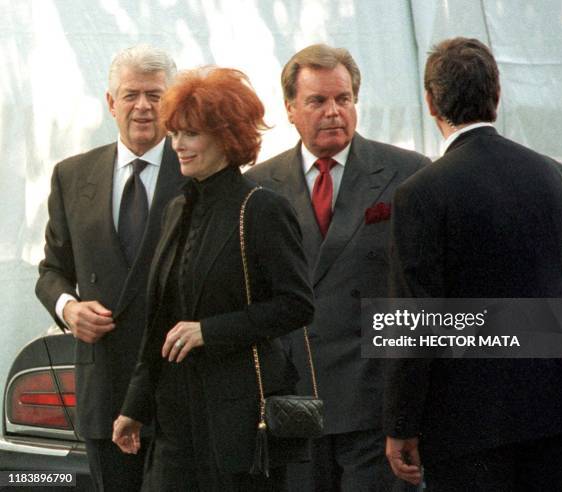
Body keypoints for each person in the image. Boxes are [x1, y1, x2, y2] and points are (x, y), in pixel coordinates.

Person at [383, 37, 562, 491]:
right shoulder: (551, 174)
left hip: (466, 421)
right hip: (550, 406)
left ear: (431, 101)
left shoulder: (420, 193)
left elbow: (416, 322)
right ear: (496, 95)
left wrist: (401, 423)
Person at [112, 66, 314, 492]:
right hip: (174, 417)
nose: (178, 145)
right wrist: (134, 405)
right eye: (175, 134)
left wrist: (210, 331)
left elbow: (297, 304)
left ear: (226, 136)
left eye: (191, 134)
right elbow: (159, 321)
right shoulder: (175, 210)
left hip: (237, 421)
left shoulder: (261, 209)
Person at [247, 44, 429, 491]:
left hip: (377, 408)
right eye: (317, 101)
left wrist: (410, 411)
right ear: (290, 109)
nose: (333, 112)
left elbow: (425, 295)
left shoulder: (408, 174)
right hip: (294, 407)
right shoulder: (256, 187)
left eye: (342, 99)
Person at [35, 45, 184, 491]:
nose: (142, 106)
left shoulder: (199, 170)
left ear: (172, 101)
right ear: (110, 102)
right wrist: (68, 309)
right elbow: (51, 270)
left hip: (178, 387)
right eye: (131, 94)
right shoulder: (73, 175)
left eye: (155, 95)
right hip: (106, 386)